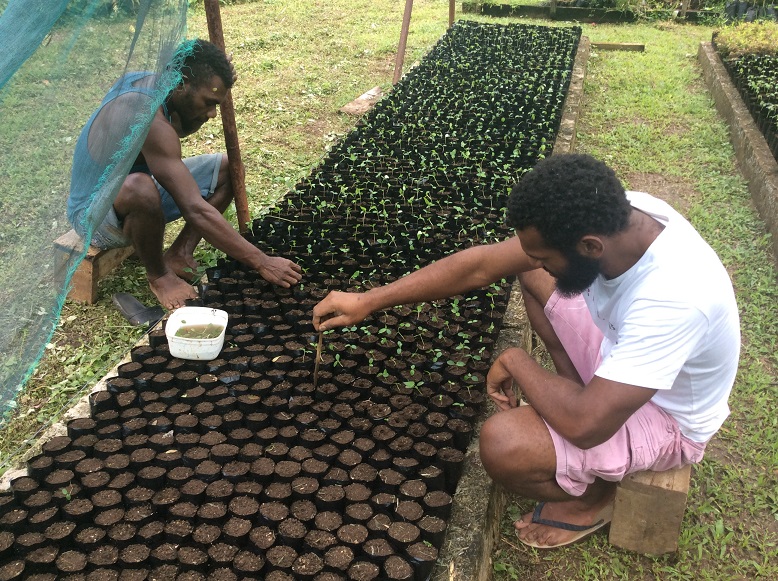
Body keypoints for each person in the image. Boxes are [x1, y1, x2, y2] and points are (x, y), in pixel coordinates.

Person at [313, 153, 740, 549]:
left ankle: (592, 499)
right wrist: (368, 300)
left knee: (505, 444)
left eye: (545, 254)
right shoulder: (620, 215)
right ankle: (579, 392)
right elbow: (482, 265)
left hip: (665, 416)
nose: (538, 260)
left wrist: (516, 359)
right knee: (532, 277)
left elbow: (586, 424)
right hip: (621, 356)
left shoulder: (675, 297)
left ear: (590, 247)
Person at [68, 39, 301, 310]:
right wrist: (263, 261)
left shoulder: (155, 85)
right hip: (93, 214)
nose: (213, 114)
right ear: (180, 84)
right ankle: (160, 276)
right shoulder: (143, 114)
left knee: (226, 168)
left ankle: (180, 253)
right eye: (208, 102)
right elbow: (194, 208)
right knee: (139, 188)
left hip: (130, 187)